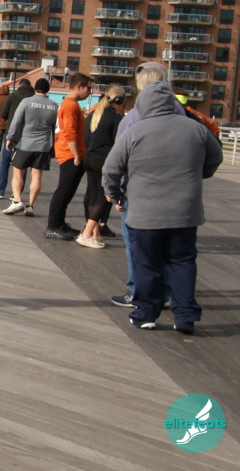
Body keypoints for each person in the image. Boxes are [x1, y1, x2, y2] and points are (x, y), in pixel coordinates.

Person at [102, 81, 222, 334]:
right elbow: (216, 157)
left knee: (146, 263)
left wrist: (115, 195)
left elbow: (111, 169)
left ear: (144, 105)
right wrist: (199, 173)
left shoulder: (135, 132)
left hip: (145, 213)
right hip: (185, 212)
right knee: (182, 262)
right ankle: (185, 316)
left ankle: (146, 313)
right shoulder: (196, 129)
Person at [108, 62, 187, 308]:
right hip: (177, 189)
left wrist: (117, 192)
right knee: (169, 247)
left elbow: (119, 159)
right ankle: (165, 292)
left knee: (137, 245)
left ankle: (138, 291)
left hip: (140, 189)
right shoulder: (180, 112)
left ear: (141, 85)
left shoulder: (134, 117)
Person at [45, 72, 92, 241]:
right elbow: (69, 133)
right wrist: (76, 155)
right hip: (69, 154)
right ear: (79, 87)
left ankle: (59, 223)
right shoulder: (70, 106)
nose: (90, 92)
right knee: (64, 190)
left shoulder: (70, 104)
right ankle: (53, 226)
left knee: (67, 191)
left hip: (69, 152)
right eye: (88, 88)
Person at [77, 85, 124, 248]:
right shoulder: (115, 117)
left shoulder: (93, 114)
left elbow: (85, 137)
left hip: (89, 158)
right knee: (105, 196)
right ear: (118, 101)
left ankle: (95, 234)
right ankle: (86, 233)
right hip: (104, 159)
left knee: (92, 194)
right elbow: (118, 142)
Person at [2, 78, 57, 217]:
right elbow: (54, 128)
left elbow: (16, 121)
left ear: (35, 88)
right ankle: (31, 205)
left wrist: (10, 138)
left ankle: (17, 200)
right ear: (48, 90)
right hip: (43, 145)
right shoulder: (54, 106)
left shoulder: (26, 102)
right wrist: (53, 146)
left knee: (17, 171)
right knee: (37, 175)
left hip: (26, 143)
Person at [0, 79, 33, 198]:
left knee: (5, 162)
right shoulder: (32, 98)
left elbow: (3, 113)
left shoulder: (13, 96)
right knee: (22, 165)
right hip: (26, 135)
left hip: (11, 133)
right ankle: (16, 193)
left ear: (20, 86)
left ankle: (0, 190)